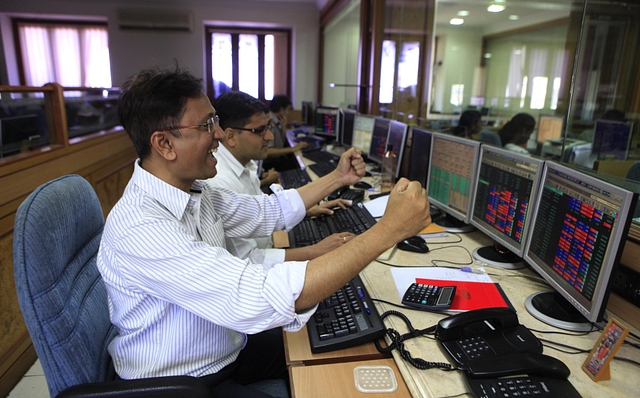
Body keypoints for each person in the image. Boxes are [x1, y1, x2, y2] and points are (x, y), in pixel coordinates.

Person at [97, 66, 432, 397]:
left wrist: (337, 179)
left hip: (225, 349)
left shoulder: (194, 191)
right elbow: (258, 296)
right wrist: (388, 230)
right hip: (181, 383)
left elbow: (267, 211)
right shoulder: (142, 227)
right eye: (207, 125)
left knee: (351, 348)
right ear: (165, 144)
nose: (218, 135)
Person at [206, 90, 353, 267]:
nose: (270, 136)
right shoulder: (220, 181)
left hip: (269, 247)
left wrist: (306, 210)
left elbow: (262, 211)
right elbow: (248, 260)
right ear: (230, 136)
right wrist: (315, 251)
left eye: (268, 127)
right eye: (260, 130)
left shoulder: (244, 164)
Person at [261, 94, 306, 172]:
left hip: (276, 159)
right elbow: (269, 151)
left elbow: (280, 145)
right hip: (270, 163)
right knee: (299, 166)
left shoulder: (276, 120)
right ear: (281, 109)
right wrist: (293, 149)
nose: (288, 113)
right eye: (287, 110)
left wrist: (283, 129)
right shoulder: (270, 122)